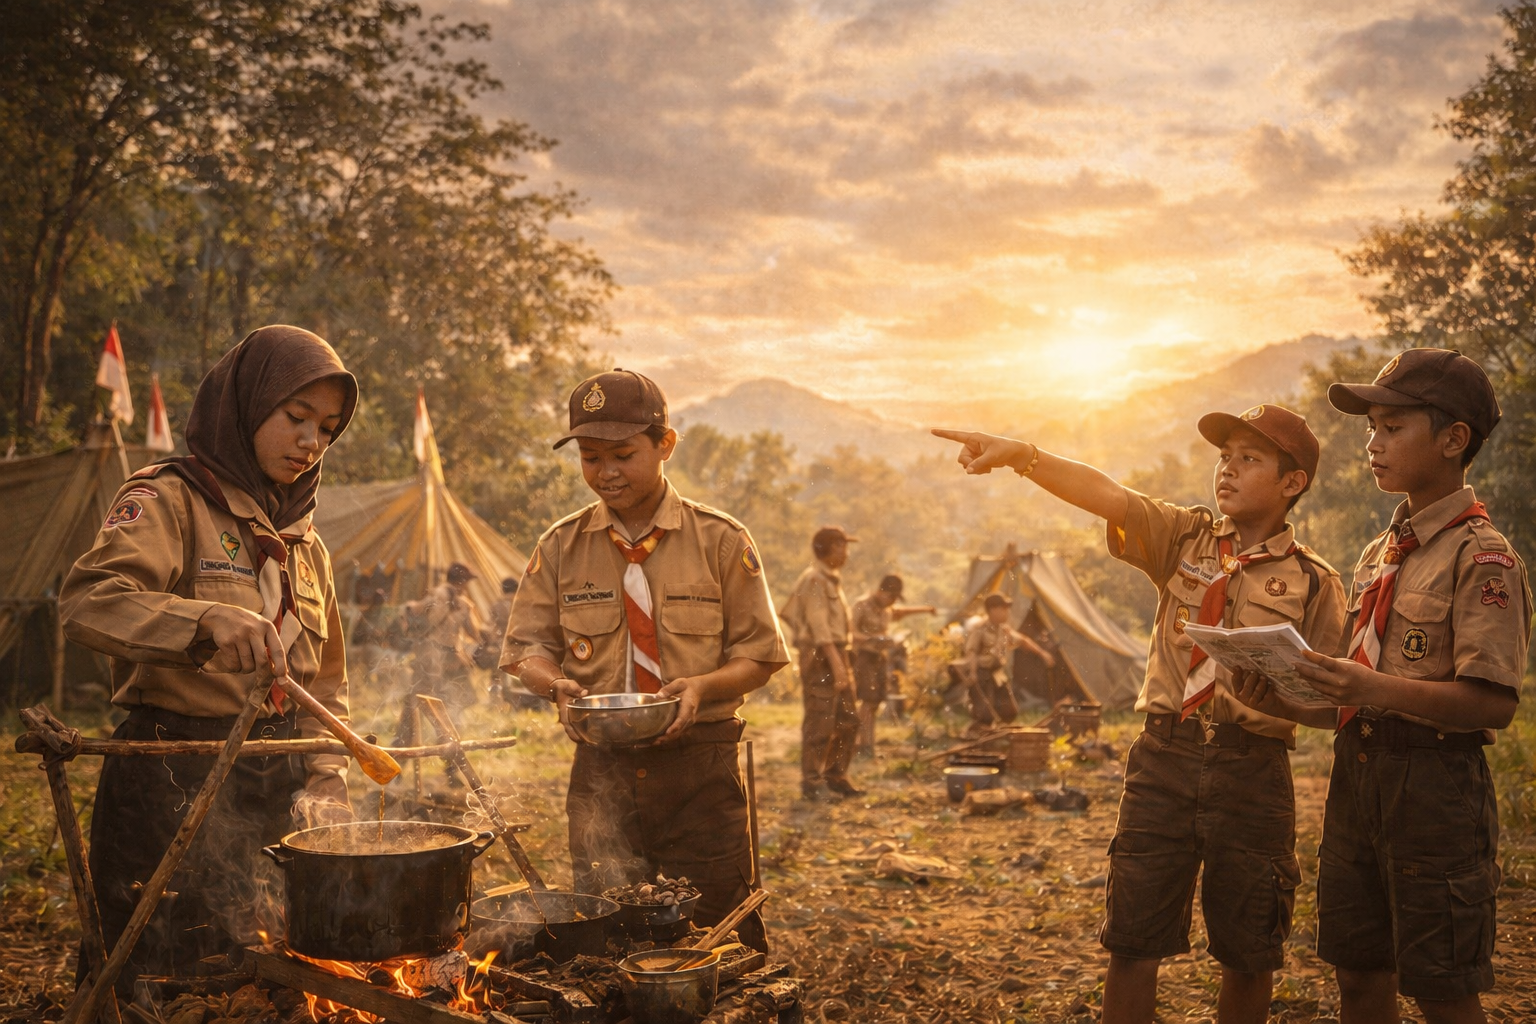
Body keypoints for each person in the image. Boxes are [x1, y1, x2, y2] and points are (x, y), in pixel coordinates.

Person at [934, 403, 1347, 1024]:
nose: (1227, 471)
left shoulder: (1316, 583)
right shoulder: (1183, 536)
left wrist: (1282, 700)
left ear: (1293, 483)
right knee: (1131, 941)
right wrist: (1023, 455)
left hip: (1253, 769)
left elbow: (1334, 703)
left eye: (1249, 459)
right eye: (1224, 458)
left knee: (1250, 950)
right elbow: (1108, 494)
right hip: (1164, 757)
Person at [1232, 350, 1529, 1024]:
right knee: (1359, 974)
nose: (1373, 443)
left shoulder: (1482, 556)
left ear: (1454, 440)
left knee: (1442, 985)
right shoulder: (1378, 556)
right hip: (1357, 778)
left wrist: (1372, 686)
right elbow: (1355, 692)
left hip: (1435, 791)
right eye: (1371, 428)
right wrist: (1276, 696)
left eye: (1392, 428)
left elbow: (1493, 703)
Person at [60, 325, 356, 990]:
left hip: (276, 773)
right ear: (247, 404)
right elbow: (88, 601)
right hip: (172, 770)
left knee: (270, 963)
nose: (311, 442)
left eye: (329, 429)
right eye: (296, 417)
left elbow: (328, 682)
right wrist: (205, 619)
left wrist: (327, 774)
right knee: (156, 971)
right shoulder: (169, 499)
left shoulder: (305, 544)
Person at [500, 369, 788, 952]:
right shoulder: (560, 546)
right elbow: (525, 650)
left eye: (623, 454)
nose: (605, 473)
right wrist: (555, 684)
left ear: (665, 444)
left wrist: (702, 686)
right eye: (590, 456)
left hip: (700, 772)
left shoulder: (722, 541)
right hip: (601, 772)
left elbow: (760, 656)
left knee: (717, 935)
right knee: (606, 936)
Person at [781, 526, 863, 800]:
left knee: (849, 719)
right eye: (840, 546)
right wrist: (836, 664)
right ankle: (813, 782)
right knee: (821, 721)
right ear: (825, 549)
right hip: (823, 657)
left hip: (837, 653)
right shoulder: (815, 579)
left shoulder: (831, 581)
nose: (845, 552)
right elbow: (818, 627)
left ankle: (836, 775)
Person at [849, 574, 935, 753]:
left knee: (875, 702)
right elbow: (850, 633)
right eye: (891, 597)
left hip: (880, 658)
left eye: (896, 598)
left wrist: (926, 609)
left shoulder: (887, 609)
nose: (893, 601)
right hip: (863, 657)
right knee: (867, 701)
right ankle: (862, 743)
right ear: (881, 591)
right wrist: (873, 638)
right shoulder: (862, 605)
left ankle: (867, 743)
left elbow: (903, 612)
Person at [948, 593, 1055, 732]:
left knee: (1010, 712)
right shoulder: (980, 630)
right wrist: (973, 673)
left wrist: (1042, 654)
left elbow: (1022, 641)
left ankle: (994, 733)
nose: (1007, 612)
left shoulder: (1004, 630)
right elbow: (971, 653)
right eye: (1003, 608)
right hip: (980, 674)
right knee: (985, 714)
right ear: (993, 610)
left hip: (996, 674)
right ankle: (978, 735)